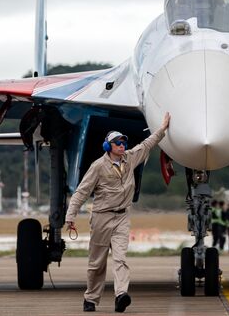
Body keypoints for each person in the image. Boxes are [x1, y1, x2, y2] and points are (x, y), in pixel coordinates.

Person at [65, 112, 171, 313]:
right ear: (108, 146)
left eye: (124, 142)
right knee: (97, 264)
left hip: (122, 217)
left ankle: (121, 295)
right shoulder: (98, 167)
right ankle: (91, 299)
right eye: (118, 143)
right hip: (101, 218)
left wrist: (163, 128)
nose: (122, 146)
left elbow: (147, 144)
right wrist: (70, 216)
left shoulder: (130, 159)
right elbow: (81, 192)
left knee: (120, 258)